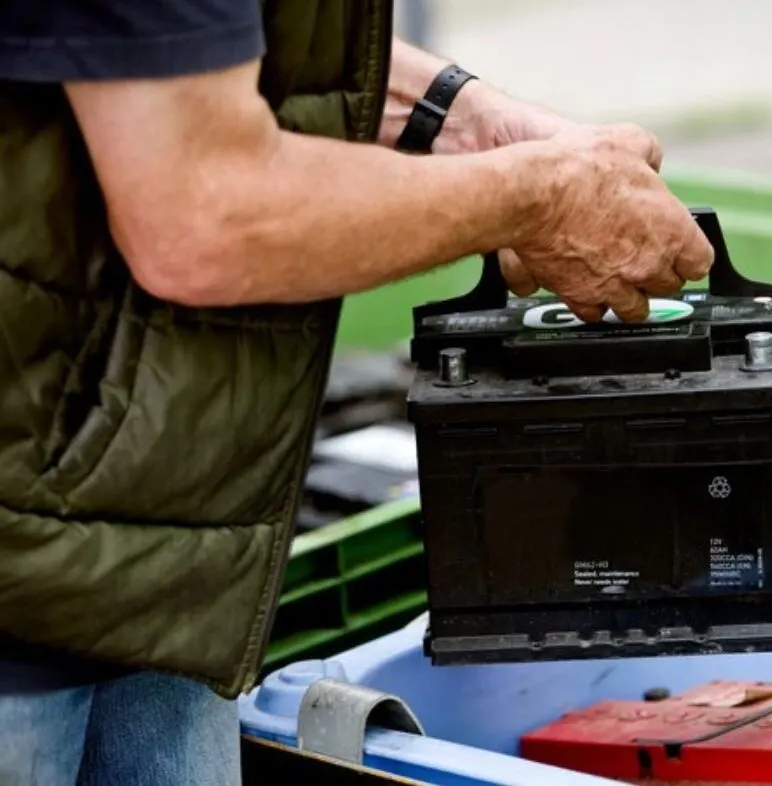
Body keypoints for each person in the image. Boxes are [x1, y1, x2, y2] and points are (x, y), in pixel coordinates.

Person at [0, 1, 714, 784]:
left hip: (164, 548)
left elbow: (198, 38)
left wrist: (455, 116)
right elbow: (206, 213)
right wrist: (539, 197)